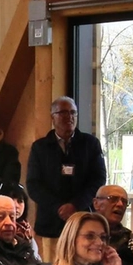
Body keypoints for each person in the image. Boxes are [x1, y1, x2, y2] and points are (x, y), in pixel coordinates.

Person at [26, 96, 106, 250]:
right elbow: (34, 184)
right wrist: (58, 207)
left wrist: (75, 205)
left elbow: (98, 179)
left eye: (73, 113)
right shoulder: (40, 147)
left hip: (82, 219)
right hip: (50, 222)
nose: (69, 117)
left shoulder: (91, 144)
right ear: (53, 117)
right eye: (63, 113)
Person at [92, 184, 133, 251]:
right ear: (96, 203)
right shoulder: (78, 232)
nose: (120, 204)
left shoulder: (131, 241)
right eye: (113, 199)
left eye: (124, 201)